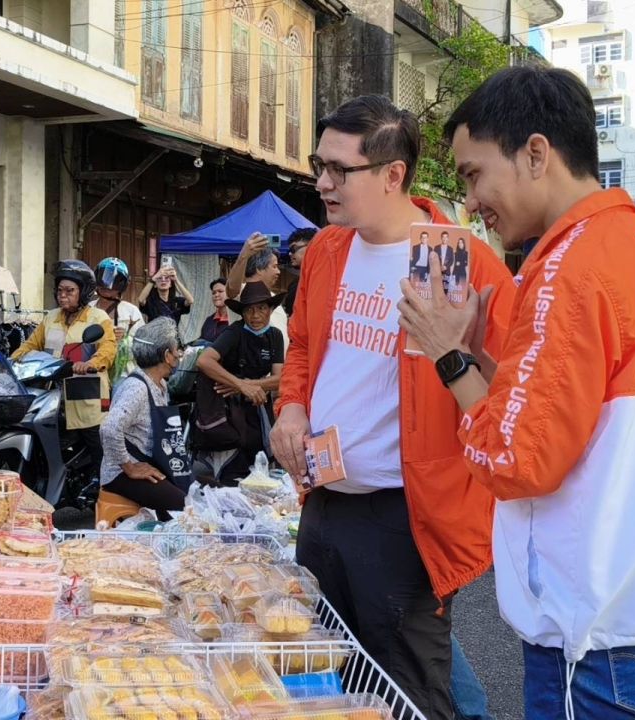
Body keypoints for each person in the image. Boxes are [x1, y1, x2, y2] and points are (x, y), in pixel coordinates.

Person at [398, 66, 635, 719]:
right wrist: (482, 358)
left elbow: (516, 460)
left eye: (473, 174)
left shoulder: (569, 267)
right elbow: (580, 418)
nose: (471, 203)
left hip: (595, 639)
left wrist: (448, 356)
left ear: (536, 153)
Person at [268, 95, 515, 720]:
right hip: (323, 501)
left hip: (406, 515)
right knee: (323, 674)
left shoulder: (462, 262)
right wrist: (291, 409)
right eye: (318, 165)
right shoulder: (327, 250)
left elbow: (510, 390)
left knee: (406, 689)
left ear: (392, 174)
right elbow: (304, 347)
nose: (322, 182)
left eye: (339, 169)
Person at [12, 260, 116, 487]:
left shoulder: (98, 318)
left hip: (87, 395)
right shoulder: (51, 318)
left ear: (83, 292)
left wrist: (91, 363)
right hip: (53, 395)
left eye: (69, 291)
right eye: (60, 291)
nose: (63, 296)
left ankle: (104, 488)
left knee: (96, 446)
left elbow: (108, 349)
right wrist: (11, 361)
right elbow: (30, 345)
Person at [98, 318, 191, 519]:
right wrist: (130, 467)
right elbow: (109, 428)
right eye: (177, 350)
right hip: (120, 473)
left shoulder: (160, 384)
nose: (179, 355)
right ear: (167, 355)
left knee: (200, 490)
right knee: (188, 507)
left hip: (151, 462)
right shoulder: (137, 388)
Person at [197, 282, 285, 485]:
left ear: (271, 310)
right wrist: (240, 385)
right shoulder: (234, 332)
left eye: (261, 308)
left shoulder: (275, 336)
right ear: (242, 313)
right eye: (249, 310)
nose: (255, 315)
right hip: (230, 411)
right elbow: (204, 360)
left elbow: (280, 379)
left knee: (260, 470)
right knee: (233, 472)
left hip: (259, 407)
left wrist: (249, 385)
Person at [226, 237, 287, 348]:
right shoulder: (243, 292)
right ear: (259, 269)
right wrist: (244, 255)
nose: (278, 271)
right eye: (274, 266)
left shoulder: (273, 297)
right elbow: (232, 289)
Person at [92, 257, 145, 383]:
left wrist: (125, 340)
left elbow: (143, 347)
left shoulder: (131, 312)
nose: (107, 286)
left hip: (123, 374)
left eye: (114, 282)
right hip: (92, 370)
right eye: (104, 278)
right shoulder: (88, 309)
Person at [137, 261, 193, 327]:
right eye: (159, 278)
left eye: (166, 278)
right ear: (155, 285)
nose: (163, 280)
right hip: (153, 333)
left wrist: (176, 280)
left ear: (170, 284)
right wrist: (153, 279)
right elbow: (141, 300)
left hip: (172, 333)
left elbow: (190, 300)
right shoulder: (151, 301)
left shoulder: (176, 301)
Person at [283, 228, 317, 318]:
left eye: (293, 249)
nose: (290, 254)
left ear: (311, 246)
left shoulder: (325, 280)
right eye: (289, 250)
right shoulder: (295, 284)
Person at [199, 278, 232, 343]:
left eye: (220, 291)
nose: (216, 295)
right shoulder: (209, 320)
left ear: (229, 293)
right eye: (214, 293)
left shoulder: (236, 319)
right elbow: (202, 341)